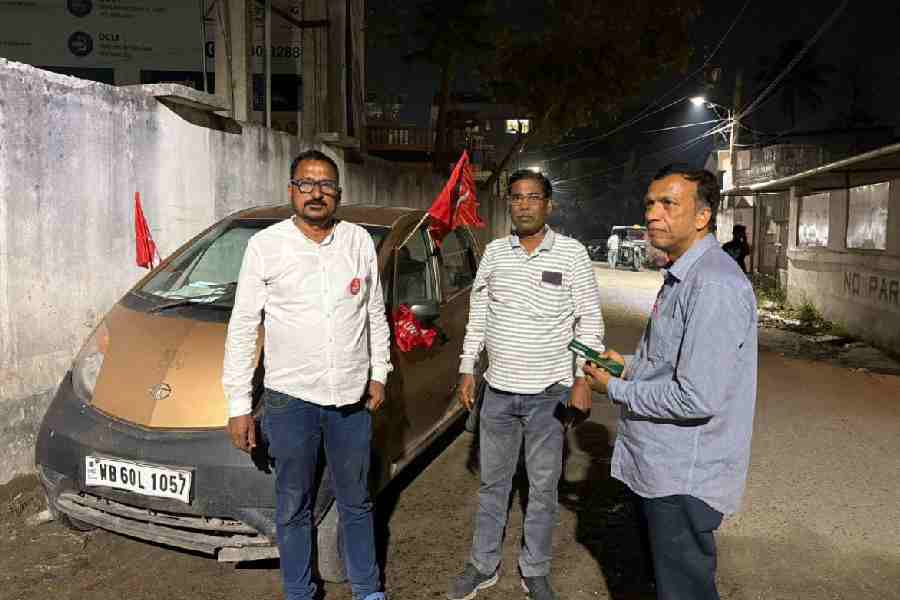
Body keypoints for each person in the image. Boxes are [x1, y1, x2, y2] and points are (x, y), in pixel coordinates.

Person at [222, 149, 391, 600]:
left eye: (326, 185)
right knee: (293, 504)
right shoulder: (265, 247)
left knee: (356, 500)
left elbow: (375, 312)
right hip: (290, 400)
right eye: (306, 184)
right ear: (291, 191)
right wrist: (239, 406)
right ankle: (299, 591)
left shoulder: (357, 242)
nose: (316, 193)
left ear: (338, 193)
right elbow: (243, 328)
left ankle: (367, 589)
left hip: (351, 401)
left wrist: (379, 373)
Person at [583, 164, 758, 600]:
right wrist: (626, 363)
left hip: (683, 478)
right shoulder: (683, 276)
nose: (652, 214)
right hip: (662, 468)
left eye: (668, 204)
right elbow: (670, 362)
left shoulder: (713, 284)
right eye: (649, 204)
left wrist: (616, 389)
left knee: (683, 591)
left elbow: (695, 396)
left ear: (702, 217)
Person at [447, 169, 605, 600]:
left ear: (548, 205)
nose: (523, 205)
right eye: (516, 197)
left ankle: (534, 569)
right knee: (493, 486)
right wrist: (467, 367)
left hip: (548, 397)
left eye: (533, 197)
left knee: (542, 488)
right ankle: (482, 565)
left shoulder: (571, 255)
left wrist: (581, 378)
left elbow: (589, 322)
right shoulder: (495, 254)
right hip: (497, 393)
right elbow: (479, 315)